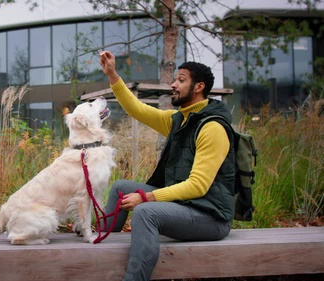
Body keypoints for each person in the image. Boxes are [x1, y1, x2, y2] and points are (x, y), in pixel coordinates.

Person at [99, 50, 236, 281]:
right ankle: (98, 243)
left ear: (199, 87)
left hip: (210, 215)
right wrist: (112, 75)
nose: (173, 84)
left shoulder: (212, 128)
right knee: (121, 187)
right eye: (175, 79)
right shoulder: (179, 120)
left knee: (145, 212)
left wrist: (147, 198)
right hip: (186, 204)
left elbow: (198, 186)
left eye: (181, 80)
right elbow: (137, 110)